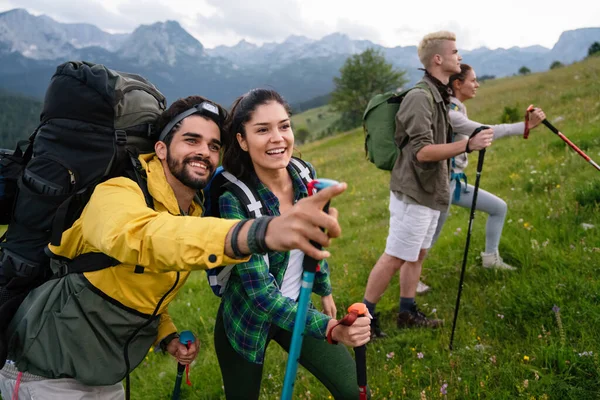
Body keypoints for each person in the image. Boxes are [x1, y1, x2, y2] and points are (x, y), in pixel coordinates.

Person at [0, 95, 348, 400]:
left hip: (101, 375)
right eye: (191, 140)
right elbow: (146, 239)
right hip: (43, 372)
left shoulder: (190, 208)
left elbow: (139, 282)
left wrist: (165, 335)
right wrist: (259, 232)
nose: (204, 152)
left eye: (214, 146)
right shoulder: (117, 192)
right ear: (162, 149)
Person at [213, 88, 371, 400]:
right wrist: (330, 328)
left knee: (353, 391)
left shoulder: (305, 174)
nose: (278, 138)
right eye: (262, 129)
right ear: (242, 140)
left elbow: (314, 240)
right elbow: (261, 296)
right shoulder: (235, 202)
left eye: (284, 126)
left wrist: (323, 288)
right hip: (246, 322)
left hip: (298, 308)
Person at [362, 32, 494, 338]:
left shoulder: (440, 95)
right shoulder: (420, 97)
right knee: (395, 255)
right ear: (438, 59)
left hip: (430, 190)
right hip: (414, 192)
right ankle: (366, 316)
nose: (459, 57)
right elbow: (422, 152)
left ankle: (406, 311)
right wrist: (467, 146)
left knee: (417, 253)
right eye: (455, 52)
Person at [416, 64, 546, 293]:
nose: (477, 85)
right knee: (429, 238)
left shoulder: (457, 107)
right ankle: (411, 281)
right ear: (457, 83)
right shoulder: (450, 112)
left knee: (498, 207)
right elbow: (487, 130)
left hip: (455, 183)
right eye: (473, 80)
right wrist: (525, 126)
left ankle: (490, 259)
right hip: (441, 185)